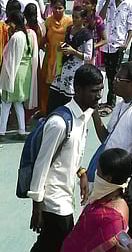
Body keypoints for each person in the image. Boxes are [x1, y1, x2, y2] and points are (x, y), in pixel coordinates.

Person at [28, 64, 104, 252]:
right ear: (77, 90)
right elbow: (41, 164)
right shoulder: (59, 124)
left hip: (65, 197)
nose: (99, 96)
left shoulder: (82, 116)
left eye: (101, 90)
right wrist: (37, 207)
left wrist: (81, 172)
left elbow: (70, 155)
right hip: (53, 201)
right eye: (94, 91)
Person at [60, 147, 131, 252]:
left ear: (108, 179)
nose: (96, 174)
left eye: (99, 172)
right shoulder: (104, 199)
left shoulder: (114, 219)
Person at [0, 9, 38, 138]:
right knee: (18, 103)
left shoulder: (16, 37)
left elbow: (11, 59)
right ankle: (21, 130)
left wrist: (8, 78)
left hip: (14, 73)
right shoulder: (31, 34)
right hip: (26, 72)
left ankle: (1, 132)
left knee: (6, 103)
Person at [99, 0, 132, 112]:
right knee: (108, 73)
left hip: (119, 44)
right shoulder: (105, 1)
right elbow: (100, 19)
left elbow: (131, 26)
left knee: (115, 73)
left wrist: (126, 43)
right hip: (105, 43)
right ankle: (110, 99)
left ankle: (111, 102)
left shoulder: (130, 4)